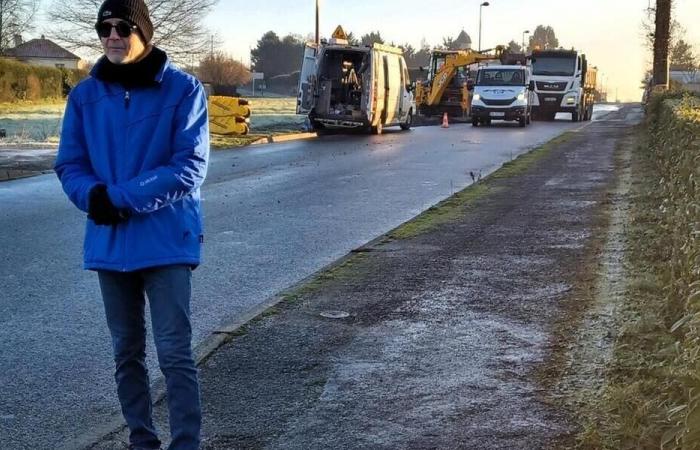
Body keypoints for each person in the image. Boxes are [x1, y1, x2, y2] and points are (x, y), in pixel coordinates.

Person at [54, 0, 209, 448]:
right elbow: (70, 163)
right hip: (110, 245)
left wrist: (115, 198)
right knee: (126, 355)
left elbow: (189, 167)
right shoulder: (84, 96)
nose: (113, 37)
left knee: (175, 354)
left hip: (166, 243)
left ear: (145, 31)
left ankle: (186, 444)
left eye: (123, 27)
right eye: (105, 29)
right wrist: (91, 195)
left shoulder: (183, 90)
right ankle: (141, 441)